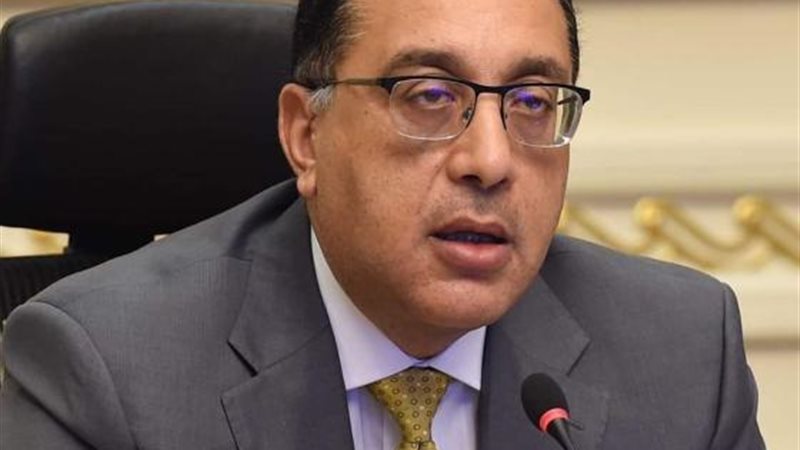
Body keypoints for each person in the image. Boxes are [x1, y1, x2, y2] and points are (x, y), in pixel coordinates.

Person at [0, 0, 765, 448]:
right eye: (428, 96)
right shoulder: (105, 369)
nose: (491, 160)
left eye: (533, 102)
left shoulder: (684, 354)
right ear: (306, 136)